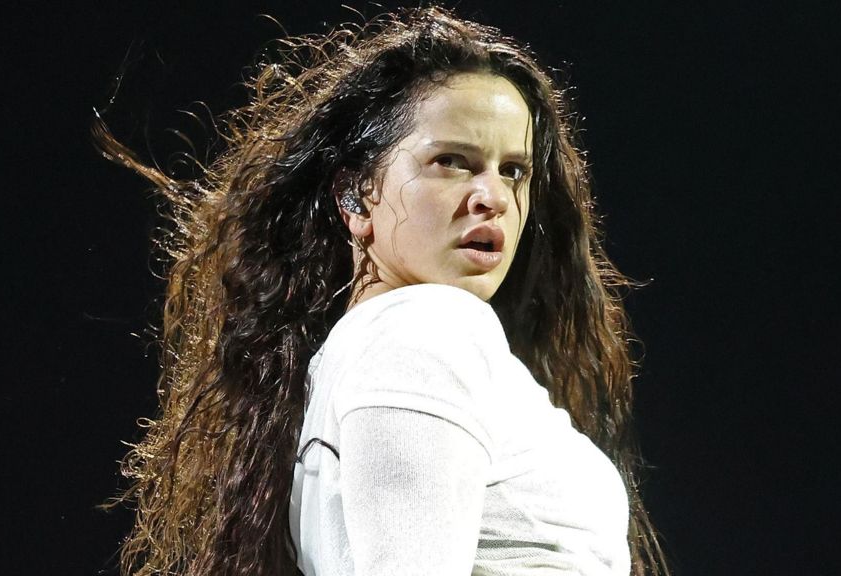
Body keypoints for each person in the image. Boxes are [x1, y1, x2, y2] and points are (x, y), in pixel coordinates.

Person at [96, 6, 668, 576]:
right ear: (355, 197)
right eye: (452, 162)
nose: (492, 196)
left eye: (513, 170)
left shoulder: (358, 358)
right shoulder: (426, 332)